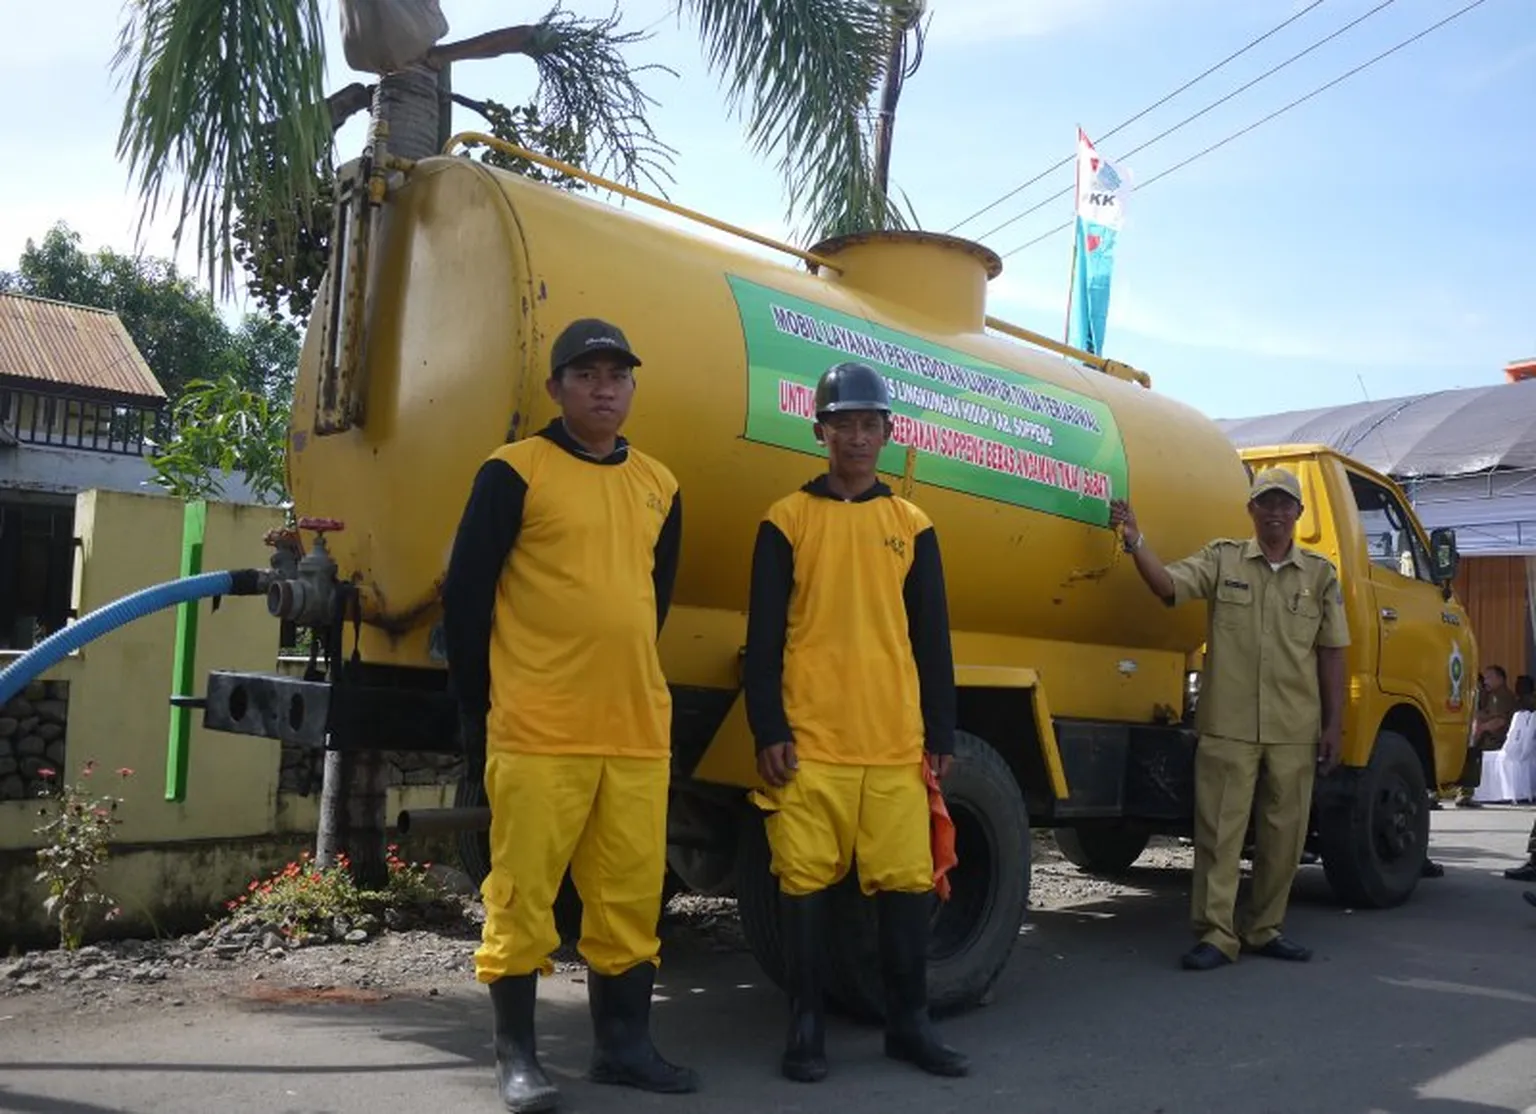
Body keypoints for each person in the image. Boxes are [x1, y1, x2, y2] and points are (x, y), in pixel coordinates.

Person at [442, 317, 695, 1112]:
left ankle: (624, 1047)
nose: (603, 387)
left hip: (634, 730)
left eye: (617, 374)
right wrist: (473, 708)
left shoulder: (660, 484)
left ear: (630, 387)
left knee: (629, 896)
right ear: (555, 388)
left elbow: (652, 599)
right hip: (538, 727)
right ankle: (517, 1057)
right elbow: (467, 596)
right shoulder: (514, 472)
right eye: (586, 374)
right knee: (521, 894)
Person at [743, 361, 969, 1083]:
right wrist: (768, 728)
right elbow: (764, 636)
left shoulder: (912, 525)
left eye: (871, 425)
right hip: (811, 745)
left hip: (895, 743)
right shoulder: (786, 520)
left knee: (907, 884)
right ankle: (806, 1030)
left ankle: (909, 1024)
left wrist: (940, 735)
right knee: (802, 883)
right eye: (844, 424)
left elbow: (932, 639)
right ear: (821, 432)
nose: (858, 437)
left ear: (888, 434)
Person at [1110, 467, 1349, 971]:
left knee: (1284, 838)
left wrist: (1334, 725)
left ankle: (1264, 928)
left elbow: (1331, 653)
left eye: (1285, 504)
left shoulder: (1321, 576)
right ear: (1251, 511)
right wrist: (1136, 542)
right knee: (1220, 833)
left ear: (1299, 514)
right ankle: (1217, 935)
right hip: (1229, 724)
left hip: (1293, 727)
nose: (1276, 513)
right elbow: (1168, 586)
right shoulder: (1223, 559)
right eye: (1266, 503)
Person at [1458, 665, 1515, 808]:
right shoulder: (1492, 695)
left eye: (1489, 678)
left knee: (1468, 751)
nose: (1485, 681)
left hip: (1495, 740)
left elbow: (1499, 722)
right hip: (1489, 737)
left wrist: (1480, 729)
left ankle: (1464, 793)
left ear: (1500, 679)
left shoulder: (1501, 696)